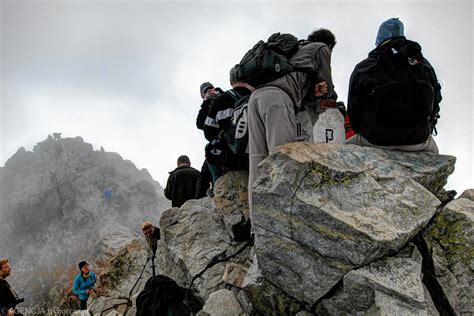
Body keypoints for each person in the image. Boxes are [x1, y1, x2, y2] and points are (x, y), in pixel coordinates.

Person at [248, 28, 337, 194]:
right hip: (278, 99)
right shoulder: (321, 48)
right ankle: (281, 216)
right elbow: (327, 85)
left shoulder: (293, 50)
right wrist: (331, 97)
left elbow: (298, 80)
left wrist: (311, 91)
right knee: (282, 158)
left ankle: (257, 218)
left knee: (257, 161)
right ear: (330, 45)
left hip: (255, 98)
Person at [346, 18, 441, 153]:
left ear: (379, 39)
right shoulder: (422, 64)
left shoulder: (364, 67)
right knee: (435, 154)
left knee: (343, 149)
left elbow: (354, 110)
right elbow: (435, 103)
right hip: (418, 140)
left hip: (374, 140)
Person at [203, 66, 254, 172]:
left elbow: (208, 132)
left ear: (231, 81)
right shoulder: (256, 95)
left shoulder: (221, 100)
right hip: (258, 151)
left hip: (232, 160)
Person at [196, 82, 224, 195]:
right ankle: (216, 185)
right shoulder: (206, 105)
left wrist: (219, 94)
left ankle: (218, 185)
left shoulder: (223, 96)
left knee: (210, 152)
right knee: (204, 173)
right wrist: (206, 103)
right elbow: (199, 124)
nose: (209, 92)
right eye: (205, 91)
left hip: (225, 140)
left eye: (210, 89)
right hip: (216, 142)